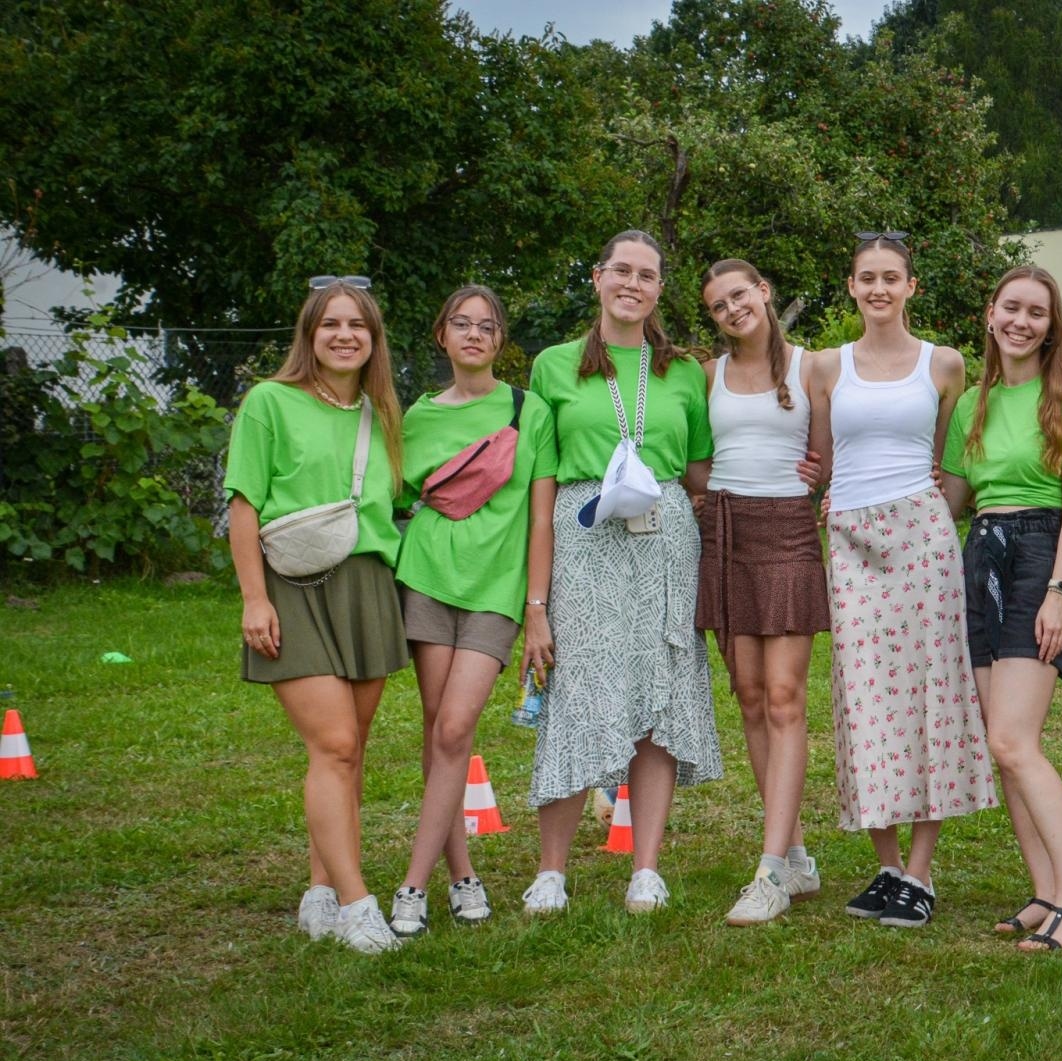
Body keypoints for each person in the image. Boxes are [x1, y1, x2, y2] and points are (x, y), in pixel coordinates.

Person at [521, 229, 722, 915]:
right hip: (584, 536)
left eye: (648, 274)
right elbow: (541, 489)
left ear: (660, 289)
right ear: (598, 279)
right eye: (621, 271)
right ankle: (551, 870)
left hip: (663, 539)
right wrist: (536, 603)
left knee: (658, 688)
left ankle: (646, 867)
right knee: (578, 687)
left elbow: (699, 469)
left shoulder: (683, 372)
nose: (632, 284)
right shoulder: (553, 366)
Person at [812, 231, 997, 929]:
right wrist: (833, 506)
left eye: (892, 277)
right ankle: (886, 864)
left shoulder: (943, 364)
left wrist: (926, 522)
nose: (880, 289)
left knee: (929, 694)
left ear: (911, 286)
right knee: (864, 698)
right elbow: (824, 461)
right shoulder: (828, 368)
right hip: (852, 540)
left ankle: (920, 874)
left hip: (922, 538)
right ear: (852, 287)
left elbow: (952, 465)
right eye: (867, 278)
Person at [224, 276, 409, 954]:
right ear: (310, 334)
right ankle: (360, 906)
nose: (344, 335)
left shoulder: (382, 412)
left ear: (373, 339)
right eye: (331, 323)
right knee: (332, 745)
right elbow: (244, 504)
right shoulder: (270, 402)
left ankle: (320, 891)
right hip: (293, 586)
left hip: (366, 588)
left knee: (348, 754)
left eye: (357, 325)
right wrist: (253, 597)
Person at [939, 267, 1062, 951]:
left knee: (1014, 739)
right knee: (999, 744)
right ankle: (1044, 889)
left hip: (1040, 555)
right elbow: (949, 500)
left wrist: (1060, 593)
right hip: (980, 557)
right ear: (990, 314)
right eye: (1012, 308)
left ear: (1051, 325)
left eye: (1037, 312)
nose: (1022, 321)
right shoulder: (971, 404)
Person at [387, 285, 557, 937]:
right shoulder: (419, 416)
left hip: (495, 591)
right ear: (442, 335)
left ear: (500, 340)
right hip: (426, 580)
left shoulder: (529, 411)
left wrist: (535, 606)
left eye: (487, 326)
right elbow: (391, 494)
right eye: (461, 323)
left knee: (456, 728)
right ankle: (462, 877)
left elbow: (540, 517)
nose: (474, 334)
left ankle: (411, 885)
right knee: (439, 730)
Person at [696, 259, 831, 925]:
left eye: (739, 295)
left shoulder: (813, 368)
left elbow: (827, 459)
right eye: (718, 306)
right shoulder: (707, 374)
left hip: (786, 531)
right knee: (749, 697)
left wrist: (816, 477)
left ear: (765, 292)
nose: (731, 310)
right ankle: (797, 854)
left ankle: (770, 870)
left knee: (784, 699)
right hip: (725, 532)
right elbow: (697, 460)